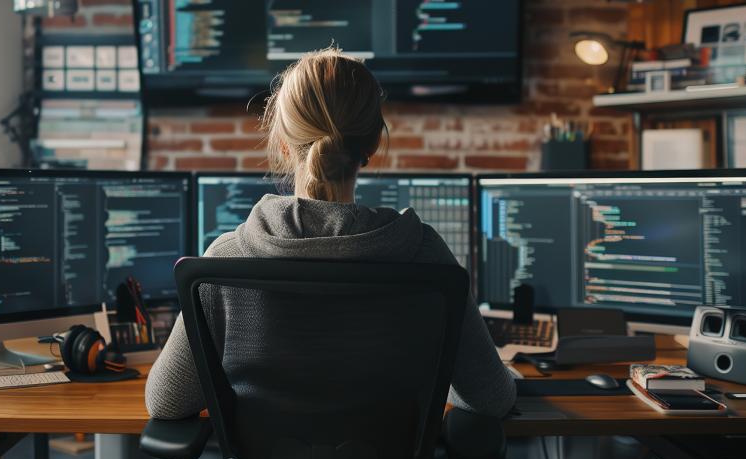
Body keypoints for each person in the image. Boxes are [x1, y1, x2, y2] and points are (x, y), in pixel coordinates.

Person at [145, 47, 516, 420]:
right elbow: (491, 399)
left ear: (285, 144)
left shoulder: (224, 263)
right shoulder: (423, 253)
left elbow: (166, 403)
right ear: (372, 144)